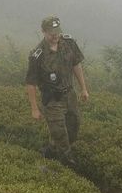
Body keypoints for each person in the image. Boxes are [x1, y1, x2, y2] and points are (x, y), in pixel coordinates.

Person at [25, 15, 90, 163]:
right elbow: (30, 83)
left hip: (70, 96)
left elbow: (76, 65)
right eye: (51, 32)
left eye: (57, 31)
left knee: (74, 127)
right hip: (52, 100)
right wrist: (34, 109)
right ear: (43, 31)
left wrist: (83, 89)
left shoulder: (69, 43)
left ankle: (50, 151)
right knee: (60, 134)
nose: (55, 35)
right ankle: (68, 165)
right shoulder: (38, 55)